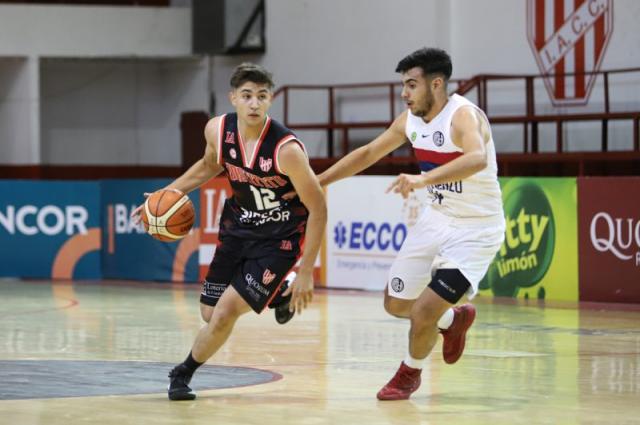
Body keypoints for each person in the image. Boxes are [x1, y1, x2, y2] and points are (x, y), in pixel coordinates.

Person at [316, 48, 505, 400]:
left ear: (436, 84)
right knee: (396, 304)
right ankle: (454, 321)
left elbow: (477, 158)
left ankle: (409, 374)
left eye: (411, 85)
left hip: (476, 230)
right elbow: (368, 153)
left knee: (423, 311)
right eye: (403, 85)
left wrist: (422, 181)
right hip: (436, 221)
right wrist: (319, 181)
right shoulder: (409, 121)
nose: (405, 93)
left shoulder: (462, 116)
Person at [133, 63, 327, 401]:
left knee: (222, 314)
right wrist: (169, 193)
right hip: (237, 228)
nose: (254, 103)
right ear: (233, 98)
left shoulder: (287, 151)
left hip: (278, 240)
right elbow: (210, 164)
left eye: (262, 97)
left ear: (270, 101)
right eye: (247, 96)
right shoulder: (217, 130)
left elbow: (319, 208)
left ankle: (182, 373)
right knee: (208, 313)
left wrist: (307, 269)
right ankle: (279, 292)